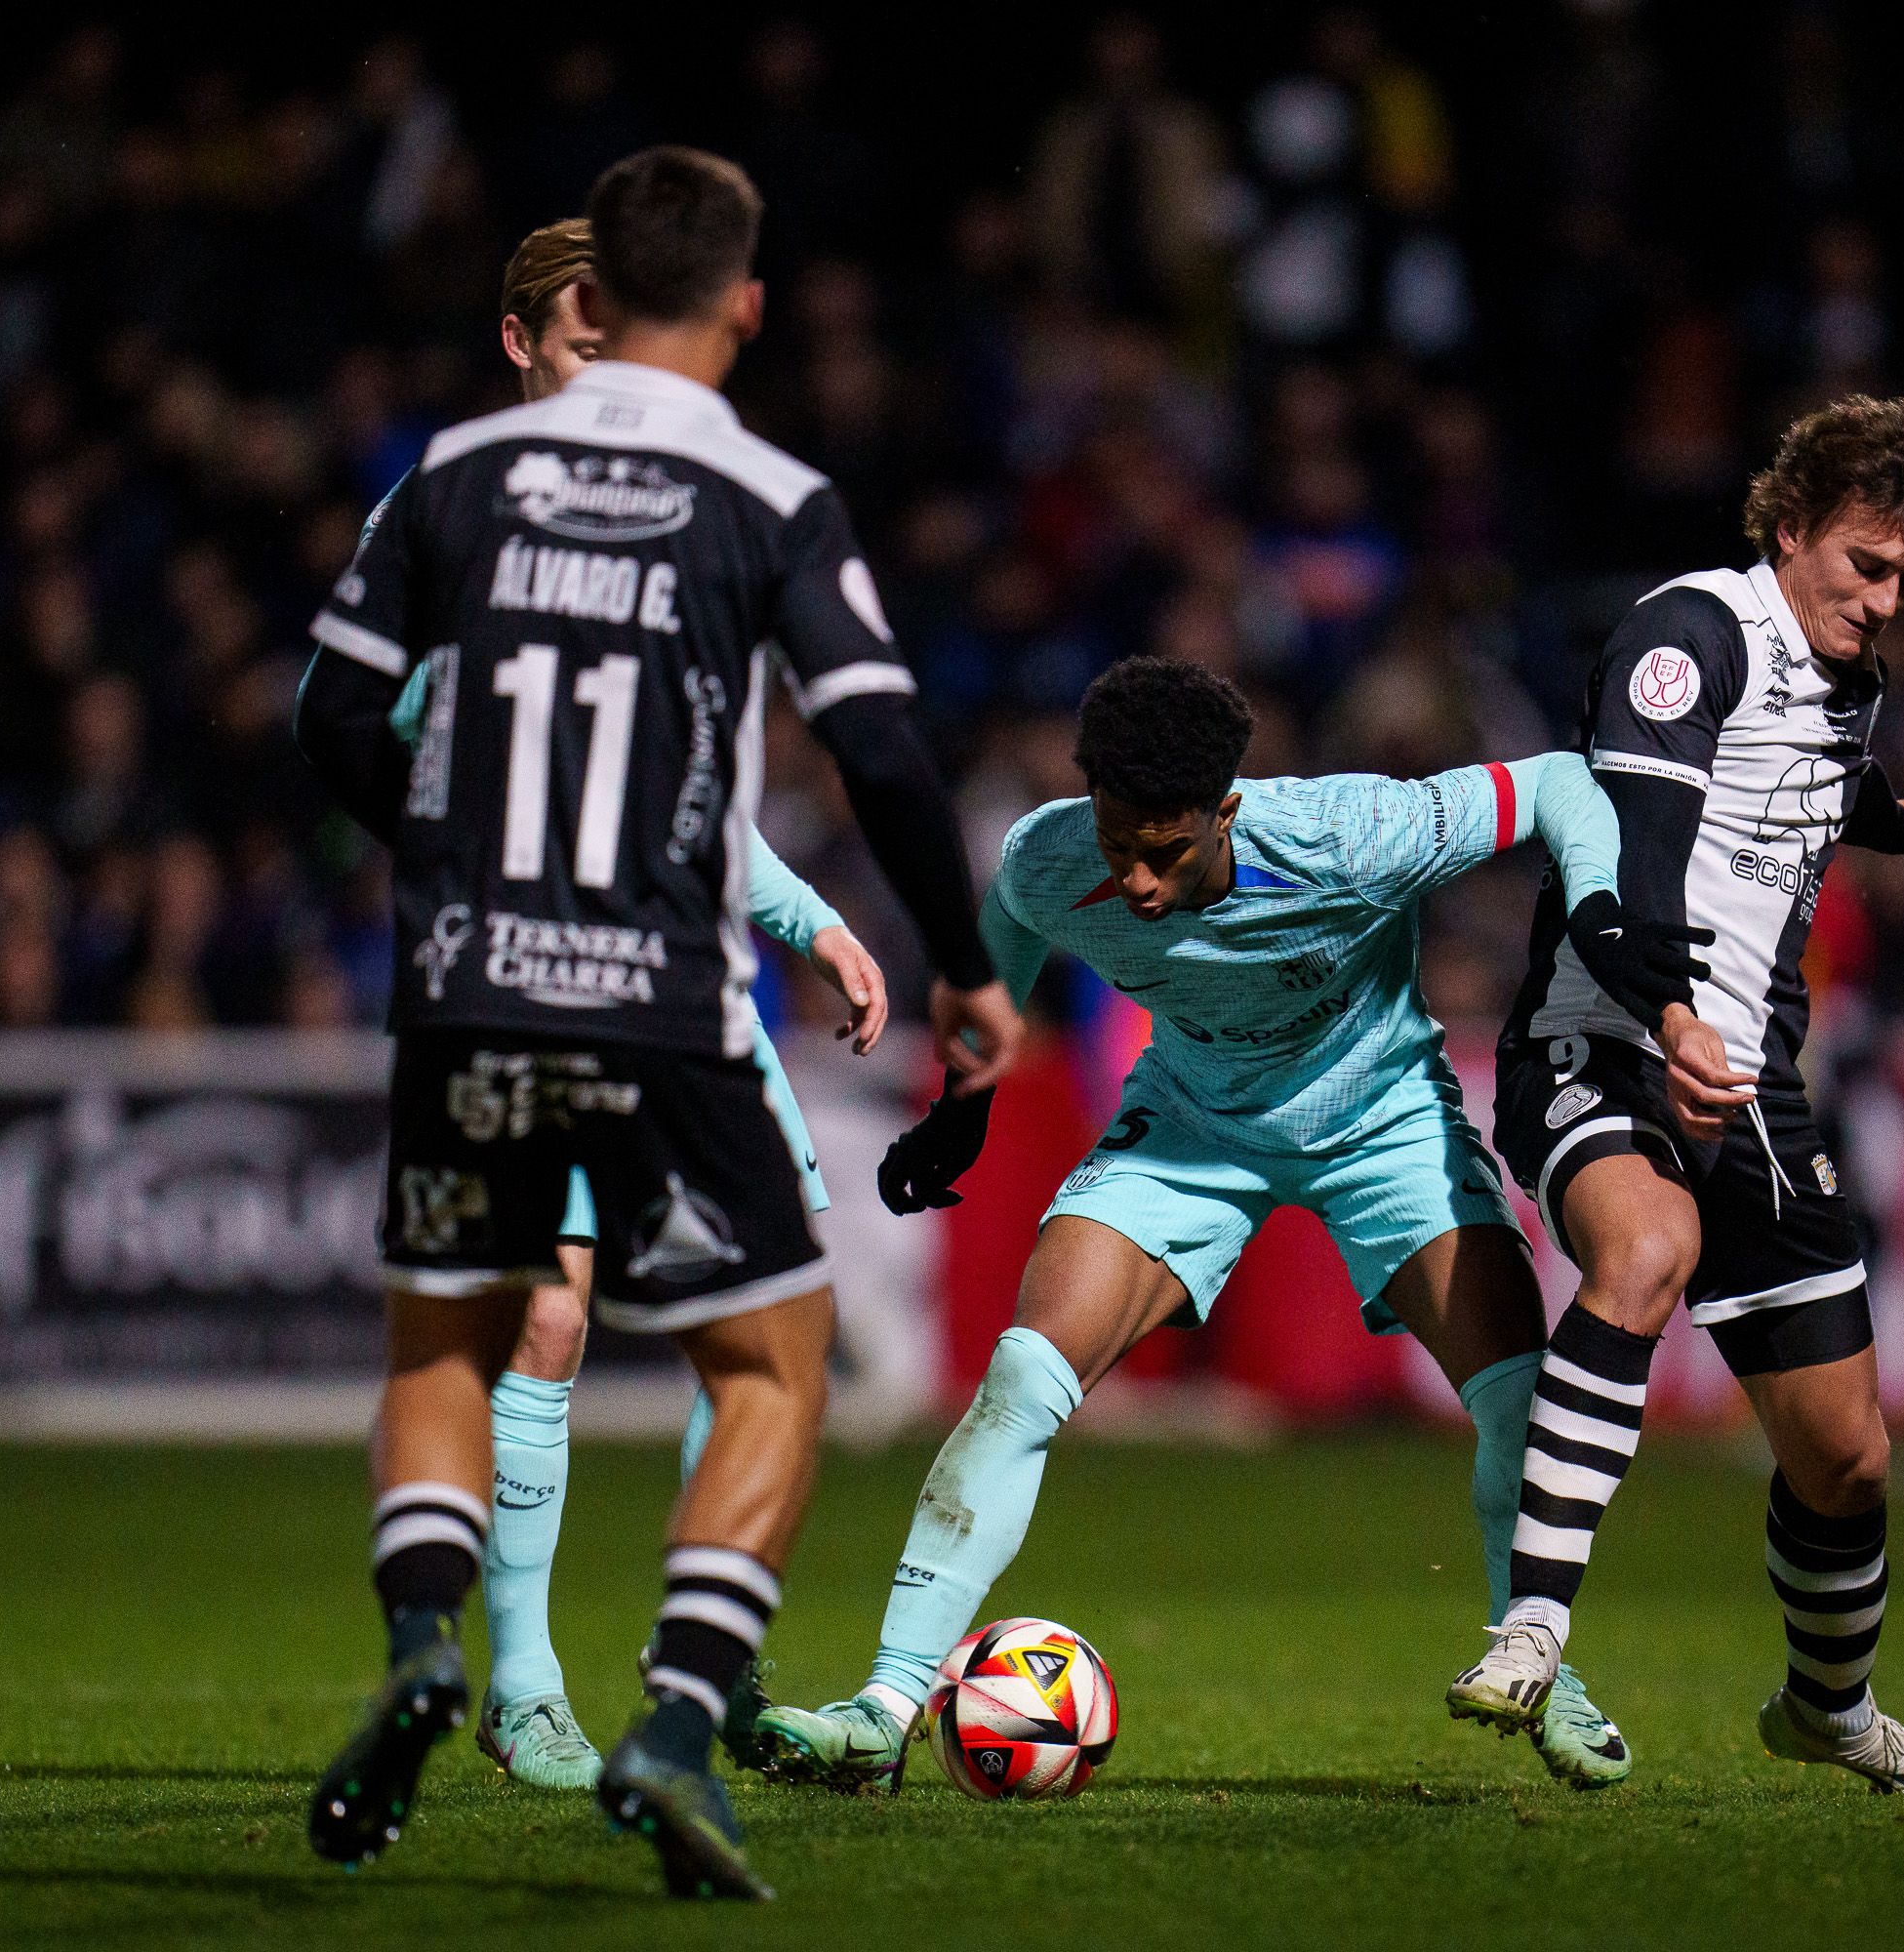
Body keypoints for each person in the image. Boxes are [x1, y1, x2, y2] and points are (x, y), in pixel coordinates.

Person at [292, 146, 1022, 1897]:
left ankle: (426, 1647)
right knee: (773, 1358)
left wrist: (455, 851)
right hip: (662, 996)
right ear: (748, 306)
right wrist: (960, 961)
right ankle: (679, 1710)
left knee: (446, 1343)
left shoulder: (447, 482)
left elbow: (330, 717)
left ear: (590, 304)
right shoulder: (770, 496)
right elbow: (884, 746)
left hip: (476, 982)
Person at [755, 654, 1692, 1792]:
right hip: (1194, 1125)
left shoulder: (1352, 830)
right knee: (1019, 1377)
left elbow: (1552, 782)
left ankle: (1545, 1664)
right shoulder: (1055, 855)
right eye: (1119, 847)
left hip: (1382, 1122)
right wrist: (967, 1101)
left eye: (1167, 850)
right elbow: (999, 928)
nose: (1138, 883)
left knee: (1517, 1403)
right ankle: (887, 1701)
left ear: (1227, 809)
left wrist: (1599, 906)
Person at [1459, 395, 1904, 1794]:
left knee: (1850, 1460)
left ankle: (1827, 1709)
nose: (1882, 603)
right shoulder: (1685, 636)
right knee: (1647, 1248)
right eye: (1866, 566)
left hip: (1749, 1072)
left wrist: (1899, 821)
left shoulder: (1844, 679)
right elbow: (1634, 860)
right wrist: (1674, 1011)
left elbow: (1809, 781)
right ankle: (1533, 1626)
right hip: (1600, 1028)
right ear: (1792, 526)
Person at [466, 217, 890, 1792]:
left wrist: (807, 916)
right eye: (584, 347)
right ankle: (522, 1689)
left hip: (698, 997)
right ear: (522, 347)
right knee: (556, 1312)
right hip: (536, 989)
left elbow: (690, 794)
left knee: (768, 1340)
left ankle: (697, 1664)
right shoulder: (464, 522)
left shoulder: (685, 519)